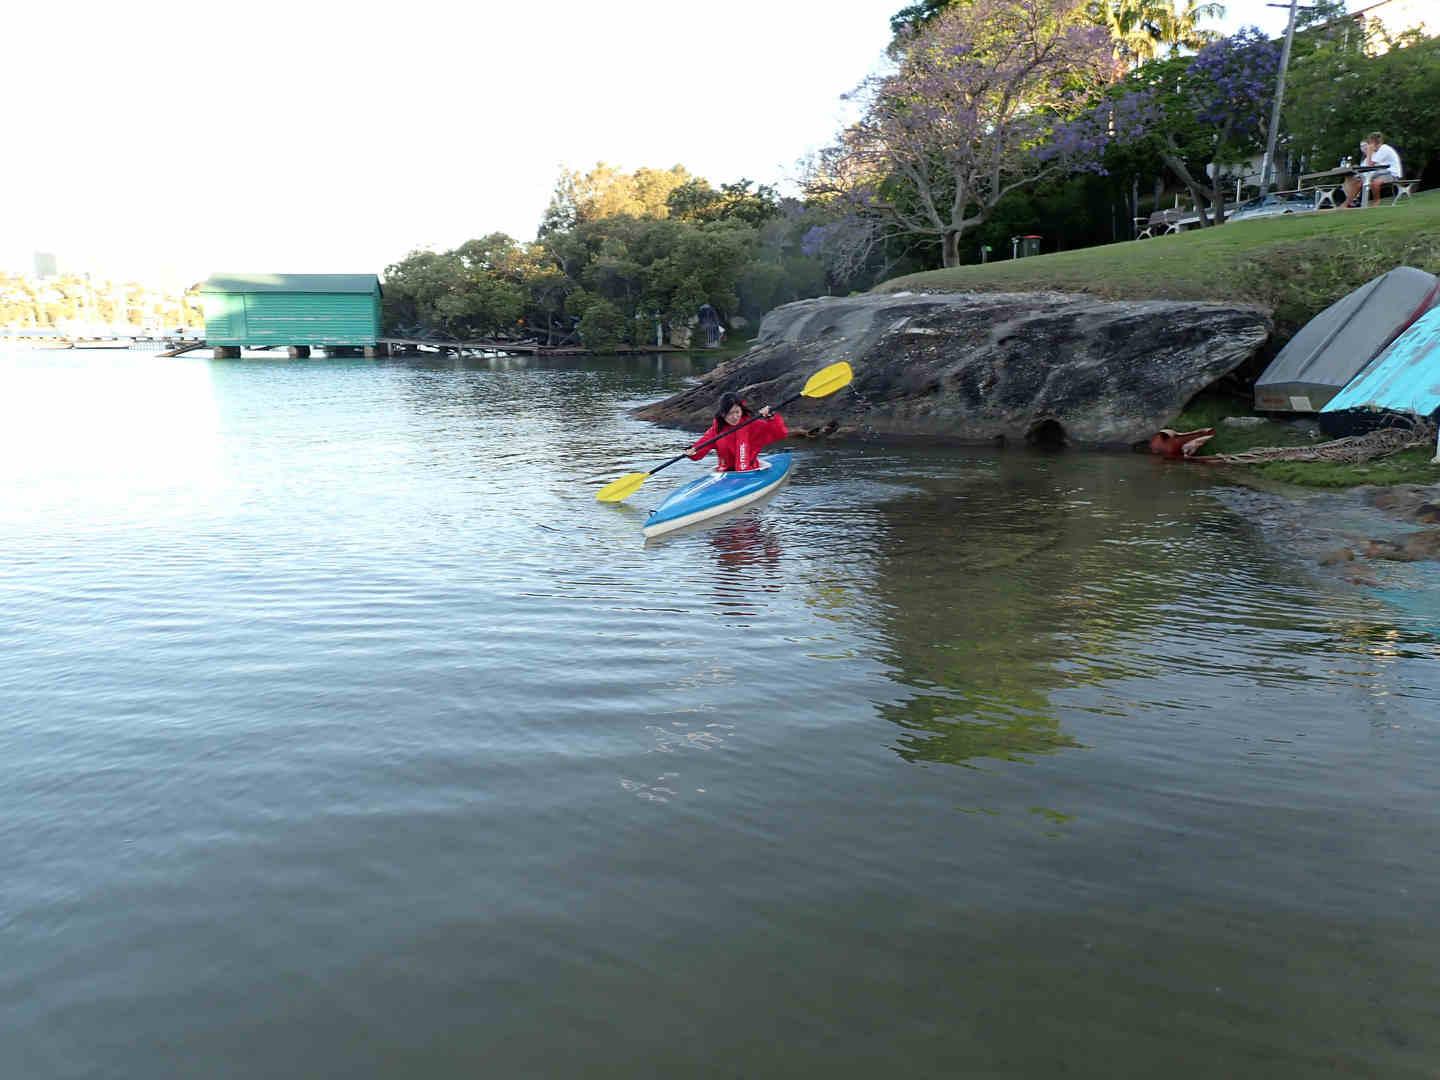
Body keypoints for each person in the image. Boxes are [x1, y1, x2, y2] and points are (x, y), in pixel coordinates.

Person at [688, 391, 788, 472]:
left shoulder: (753, 425)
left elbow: (780, 433)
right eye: (730, 413)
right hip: (726, 473)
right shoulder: (716, 430)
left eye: (737, 412)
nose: (735, 417)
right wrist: (691, 451)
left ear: (742, 410)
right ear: (722, 414)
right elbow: (700, 449)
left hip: (750, 470)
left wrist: (771, 417)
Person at [1342, 132, 1402, 208]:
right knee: (1359, 183)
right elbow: (1368, 167)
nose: (1367, 147)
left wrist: (1369, 152)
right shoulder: (1378, 152)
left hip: (1392, 174)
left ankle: (1376, 201)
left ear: (1373, 143)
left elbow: (1369, 165)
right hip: (1382, 173)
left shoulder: (1384, 149)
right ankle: (1346, 204)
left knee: (1375, 183)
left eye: (1369, 144)